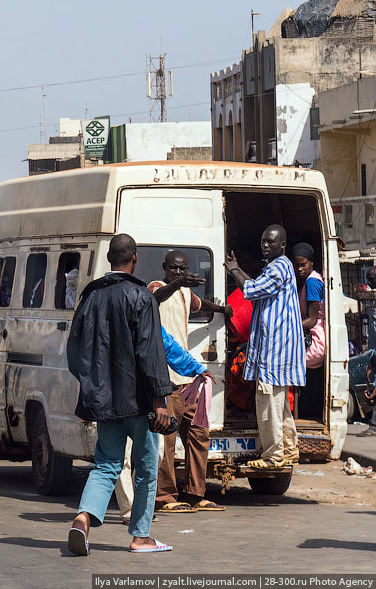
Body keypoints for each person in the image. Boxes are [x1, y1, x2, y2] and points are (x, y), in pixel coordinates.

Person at [66, 233, 174, 556]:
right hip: (139, 403)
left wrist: (90, 390)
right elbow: (150, 352)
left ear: (110, 259)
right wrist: (160, 400)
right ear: (135, 258)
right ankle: (141, 536)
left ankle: (83, 518)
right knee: (145, 467)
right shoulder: (142, 297)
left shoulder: (90, 297)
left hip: (104, 403)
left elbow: (74, 351)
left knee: (107, 465)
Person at [148, 250, 230, 514]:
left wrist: (220, 309)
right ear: (165, 268)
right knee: (167, 440)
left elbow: (200, 304)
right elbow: (154, 299)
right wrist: (177, 284)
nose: (179, 273)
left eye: (182, 270)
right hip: (166, 380)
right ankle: (165, 496)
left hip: (187, 380)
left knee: (198, 435)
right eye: (174, 269)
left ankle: (195, 493)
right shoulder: (158, 288)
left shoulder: (184, 293)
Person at [115, 326, 214, 524]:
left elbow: (169, 347)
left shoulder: (148, 317)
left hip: (146, 399)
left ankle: (141, 505)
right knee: (121, 457)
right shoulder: (109, 314)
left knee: (155, 452)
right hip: (116, 397)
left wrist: (197, 368)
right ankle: (130, 511)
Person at [224, 224, 303, 468]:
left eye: (270, 241)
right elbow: (254, 286)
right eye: (263, 241)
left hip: (274, 351)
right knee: (280, 406)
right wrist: (241, 273)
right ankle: (289, 449)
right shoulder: (276, 267)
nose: (265, 245)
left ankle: (273, 456)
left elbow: (252, 289)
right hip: (277, 350)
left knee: (268, 404)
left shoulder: (279, 267)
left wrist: (235, 270)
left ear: (282, 245)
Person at [291, 242, 326, 419]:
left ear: (311, 262)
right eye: (296, 265)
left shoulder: (312, 282)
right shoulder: (312, 279)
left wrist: (287, 327)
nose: (299, 269)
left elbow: (312, 320)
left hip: (315, 341)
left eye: (303, 264)